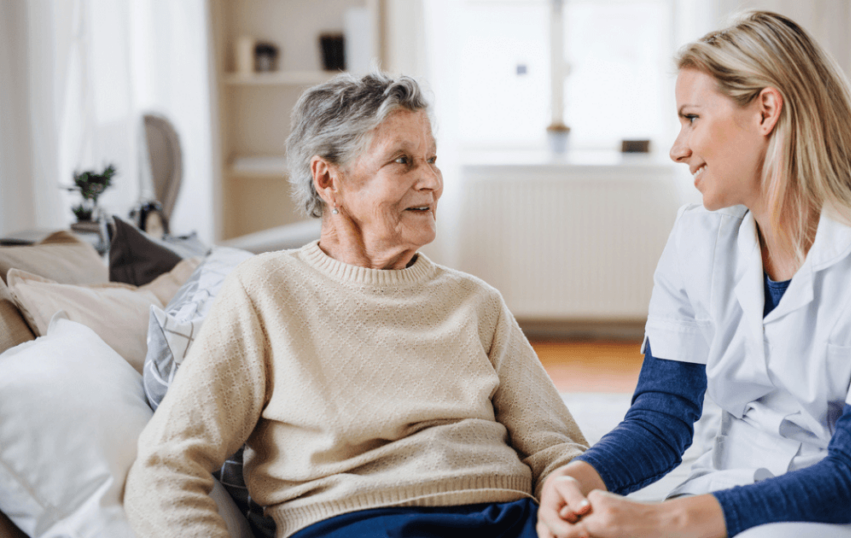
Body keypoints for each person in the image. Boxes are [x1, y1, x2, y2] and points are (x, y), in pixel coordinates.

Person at [537, 11, 851, 538]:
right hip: (730, 490)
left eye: (692, 118)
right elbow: (662, 417)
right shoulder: (696, 237)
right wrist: (578, 476)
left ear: (766, 110)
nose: (678, 149)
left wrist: (664, 519)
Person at [124, 71, 588, 538]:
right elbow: (165, 466)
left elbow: (557, 449)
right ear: (328, 179)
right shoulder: (266, 290)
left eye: (432, 159)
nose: (431, 181)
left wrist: (570, 500)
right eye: (403, 161)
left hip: (510, 518)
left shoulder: (476, 302)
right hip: (359, 522)